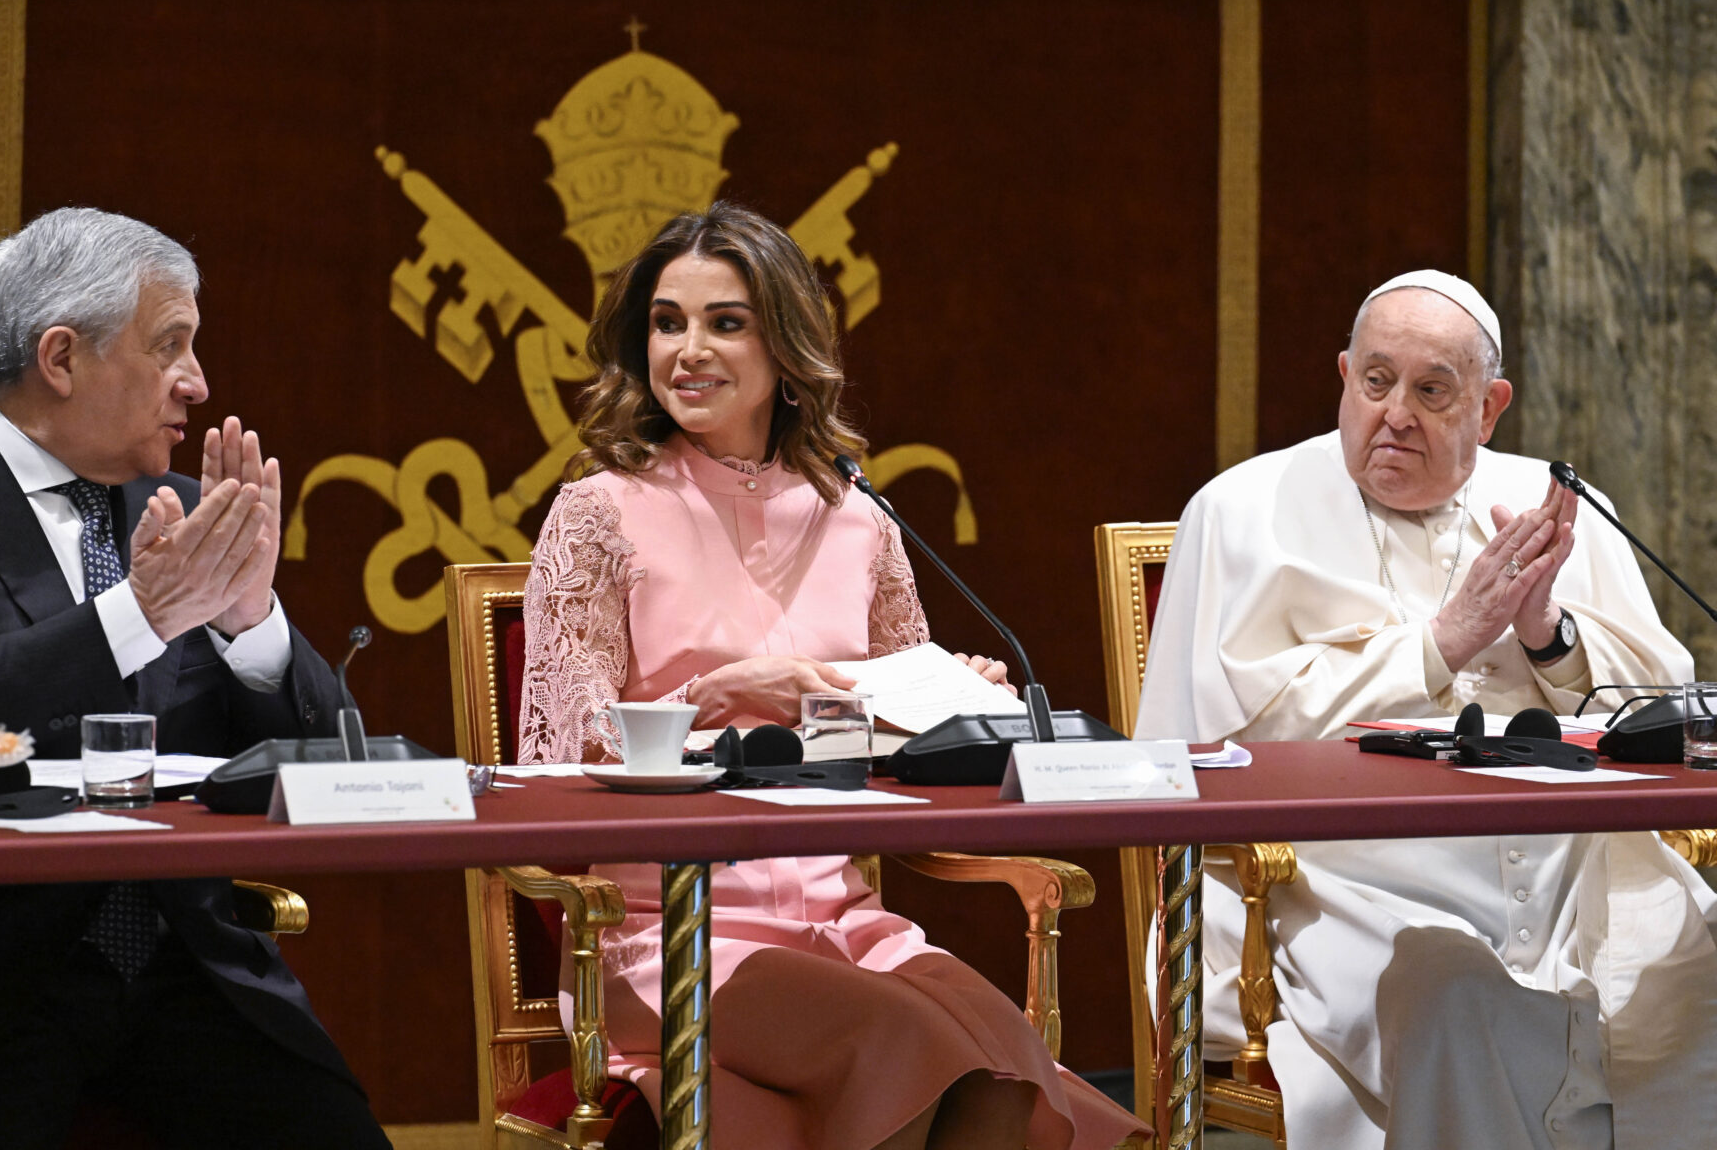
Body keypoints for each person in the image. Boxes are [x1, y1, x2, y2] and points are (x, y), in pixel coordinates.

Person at [520, 202, 1143, 1150]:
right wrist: (718, 697)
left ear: (786, 345)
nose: (688, 349)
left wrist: (946, 702)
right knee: (904, 1039)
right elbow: (557, 759)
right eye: (666, 321)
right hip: (669, 933)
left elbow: (884, 753)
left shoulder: (860, 518)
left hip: (842, 918)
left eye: (725, 322)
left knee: (1006, 1068)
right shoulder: (597, 512)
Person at [0, 208, 391, 1149]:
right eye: (171, 347)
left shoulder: (187, 515)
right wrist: (143, 614)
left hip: (186, 972)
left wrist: (249, 619)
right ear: (62, 358)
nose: (198, 383)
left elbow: (332, 756)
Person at [1137, 269, 1717, 1149]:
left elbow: (1658, 704)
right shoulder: (1241, 514)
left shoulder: (1554, 508)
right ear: (1344, 378)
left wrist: (1546, 634)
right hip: (1343, 890)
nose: (1396, 412)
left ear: (1489, 410)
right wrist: (1440, 643)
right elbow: (1218, 746)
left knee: (1689, 975)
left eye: (1432, 390)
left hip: (1569, 890)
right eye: (1376, 382)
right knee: (1449, 989)